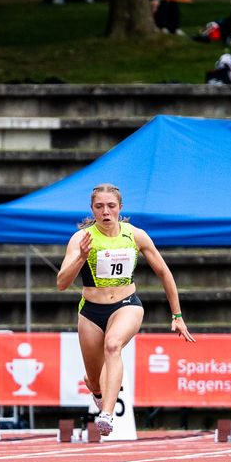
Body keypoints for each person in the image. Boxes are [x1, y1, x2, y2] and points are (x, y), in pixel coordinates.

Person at [55, 183, 192, 435]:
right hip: (91, 312)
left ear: (120, 208)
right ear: (92, 209)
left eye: (111, 206)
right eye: (99, 207)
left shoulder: (135, 235)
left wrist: (178, 315)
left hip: (126, 305)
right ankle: (96, 390)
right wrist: (81, 258)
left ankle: (106, 414)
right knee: (95, 378)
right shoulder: (80, 239)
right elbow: (62, 282)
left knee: (113, 345)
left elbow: (164, 272)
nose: (105, 212)